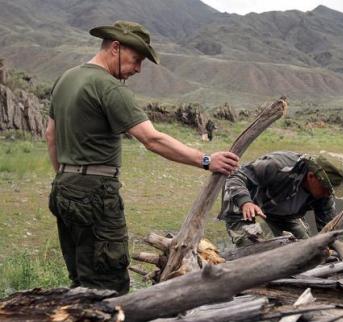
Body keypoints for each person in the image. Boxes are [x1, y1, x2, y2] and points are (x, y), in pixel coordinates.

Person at [45, 21, 239, 295]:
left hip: (63, 188)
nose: (137, 69)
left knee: (80, 279)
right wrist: (206, 160)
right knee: (108, 286)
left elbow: (50, 136)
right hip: (96, 195)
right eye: (136, 60)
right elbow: (152, 138)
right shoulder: (108, 87)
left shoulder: (66, 79)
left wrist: (66, 178)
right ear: (115, 47)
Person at [218, 151, 343, 247]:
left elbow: (329, 234)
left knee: (302, 247)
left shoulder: (324, 195)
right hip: (244, 201)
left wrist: (332, 249)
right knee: (252, 248)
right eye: (326, 188)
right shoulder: (279, 166)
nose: (328, 193)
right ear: (311, 176)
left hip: (282, 210)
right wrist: (245, 202)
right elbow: (235, 176)